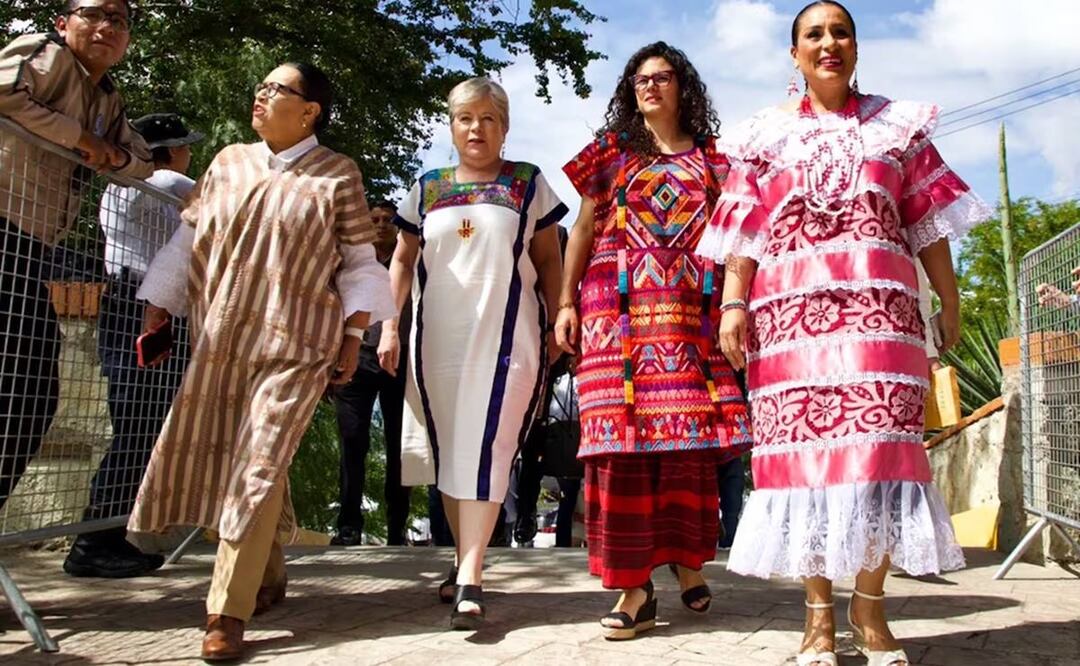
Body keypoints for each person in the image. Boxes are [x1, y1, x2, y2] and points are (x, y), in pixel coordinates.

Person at [697, 3, 987, 664]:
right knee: (807, 470)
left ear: (856, 46)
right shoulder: (763, 137)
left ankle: (873, 614)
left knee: (879, 460)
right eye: (814, 34)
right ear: (794, 54)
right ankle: (819, 622)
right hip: (789, 325)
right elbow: (744, 234)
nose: (829, 43)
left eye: (841, 32)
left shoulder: (900, 128)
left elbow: (927, 224)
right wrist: (734, 305)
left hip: (881, 320)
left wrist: (949, 298)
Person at [126, 62, 394, 661]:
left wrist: (354, 335)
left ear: (310, 111)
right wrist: (159, 307)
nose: (262, 94)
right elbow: (189, 241)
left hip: (298, 345)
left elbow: (358, 263)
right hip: (220, 341)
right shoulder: (226, 162)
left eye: (278, 89)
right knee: (243, 460)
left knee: (260, 456)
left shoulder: (337, 174)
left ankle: (227, 610)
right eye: (262, 86)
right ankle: (267, 574)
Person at [555, 42, 752, 641]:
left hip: (692, 320)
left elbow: (739, 239)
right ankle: (633, 588)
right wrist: (564, 302)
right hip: (613, 319)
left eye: (662, 78)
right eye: (640, 79)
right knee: (619, 449)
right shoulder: (608, 155)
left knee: (685, 449)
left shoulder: (720, 163)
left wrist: (736, 310)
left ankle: (687, 563)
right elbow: (583, 228)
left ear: (683, 87)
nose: (650, 87)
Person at [379, 76, 566, 630]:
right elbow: (401, 261)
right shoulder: (427, 187)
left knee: (489, 444)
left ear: (504, 127)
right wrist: (390, 327)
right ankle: (465, 564)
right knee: (452, 450)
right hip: (437, 339)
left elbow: (550, 261)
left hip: (510, 337)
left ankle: (471, 576)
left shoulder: (528, 183)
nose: (476, 128)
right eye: (465, 118)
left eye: (488, 118)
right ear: (452, 126)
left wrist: (559, 319)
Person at [0, 0, 153, 510]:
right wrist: (81, 139)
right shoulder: (43, 54)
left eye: (120, 20)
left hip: (31, 249)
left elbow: (143, 161)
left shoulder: (108, 99)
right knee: (25, 393)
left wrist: (110, 152)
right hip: (4, 229)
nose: (108, 27)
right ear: (64, 23)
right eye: (96, 13)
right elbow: (4, 92)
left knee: (31, 398)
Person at [63, 113, 203, 579]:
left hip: (136, 304)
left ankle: (109, 536)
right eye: (184, 146)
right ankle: (94, 541)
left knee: (141, 427)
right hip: (139, 306)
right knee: (138, 428)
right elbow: (214, 197)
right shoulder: (161, 177)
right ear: (169, 149)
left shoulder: (142, 191)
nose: (189, 154)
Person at [331, 200, 413, 547]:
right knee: (352, 441)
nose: (380, 224)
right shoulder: (350, 262)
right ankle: (349, 524)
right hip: (356, 361)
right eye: (374, 219)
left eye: (387, 220)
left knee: (400, 447)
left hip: (399, 362)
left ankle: (398, 529)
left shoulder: (411, 262)